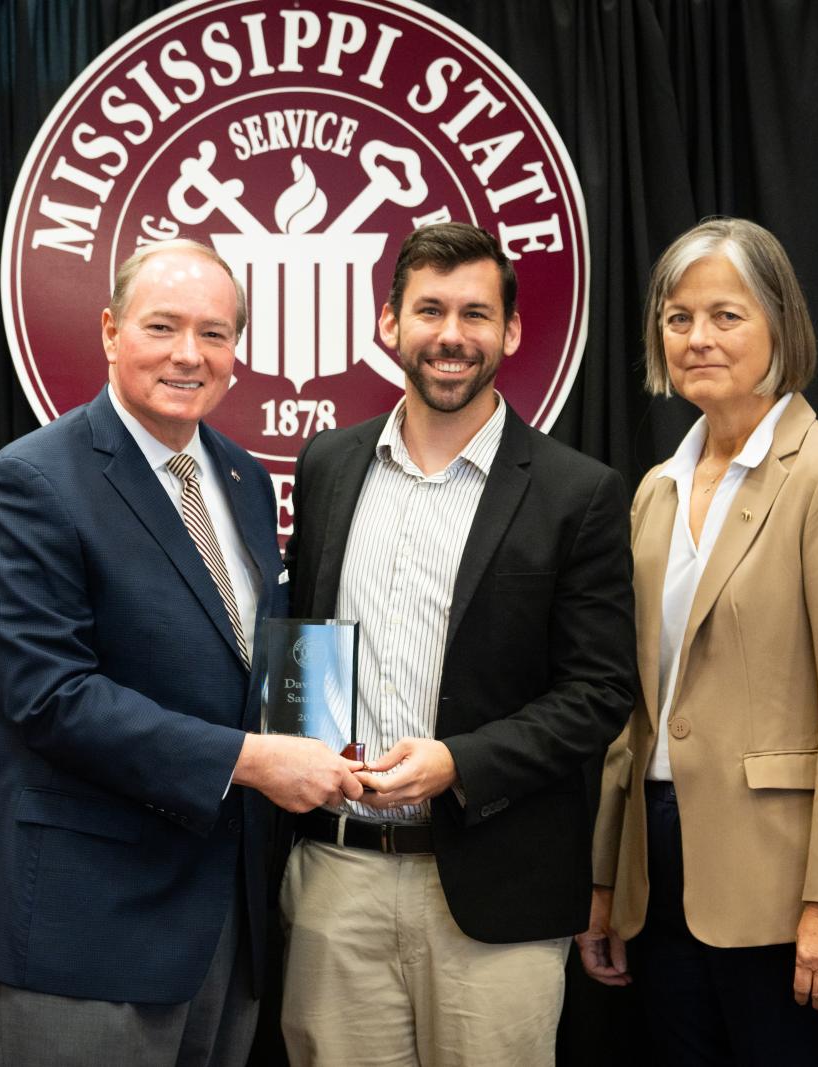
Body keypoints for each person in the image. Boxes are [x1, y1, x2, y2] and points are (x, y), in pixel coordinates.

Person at [0, 239, 364, 1067]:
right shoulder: (31, 481)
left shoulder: (244, 478)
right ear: (110, 331)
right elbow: (50, 696)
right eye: (163, 326)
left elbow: (255, 661)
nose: (190, 354)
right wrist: (253, 759)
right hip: (93, 927)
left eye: (214, 334)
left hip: (227, 920)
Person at [280, 222, 638, 1066]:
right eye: (429, 310)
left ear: (511, 332)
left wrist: (459, 764)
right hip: (338, 877)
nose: (451, 335)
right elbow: (305, 646)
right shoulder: (328, 465)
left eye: (476, 314)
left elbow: (598, 691)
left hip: (497, 889)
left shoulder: (576, 492)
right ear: (388, 323)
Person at [576, 217, 818, 1064]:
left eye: (726, 315)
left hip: (793, 886)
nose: (697, 337)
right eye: (677, 317)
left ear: (781, 324)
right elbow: (638, 710)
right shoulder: (655, 493)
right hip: (663, 882)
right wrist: (606, 882)